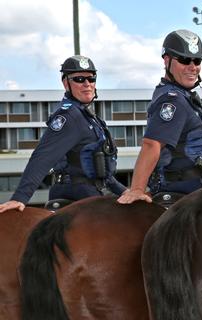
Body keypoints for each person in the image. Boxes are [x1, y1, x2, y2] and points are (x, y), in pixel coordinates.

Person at [118, 29, 202, 205]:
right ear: (167, 60)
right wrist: (137, 190)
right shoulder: (172, 100)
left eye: (197, 60)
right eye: (185, 60)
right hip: (183, 195)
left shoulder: (187, 98)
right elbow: (152, 144)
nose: (192, 67)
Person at [0, 55, 124, 213]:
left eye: (91, 78)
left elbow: (100, 171)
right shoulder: (68, 117)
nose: (87, 84)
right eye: (79, 79)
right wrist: (20, 197)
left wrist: (124, 191)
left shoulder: (90, 118)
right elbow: (43, 156)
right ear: (66, 83)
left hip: (94, 191)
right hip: (78, 193)